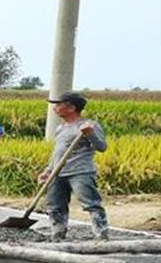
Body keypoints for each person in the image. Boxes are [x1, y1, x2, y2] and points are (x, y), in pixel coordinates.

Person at [39, 92, 109, 241]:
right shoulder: (60, 128)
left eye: (58, 105)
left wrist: (90, 134)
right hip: (58, 172)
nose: (55, 108)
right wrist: (48, 170)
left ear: (71, 108)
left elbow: (102, 147)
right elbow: (58, 152)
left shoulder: (89, 125)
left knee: (91, 204)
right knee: (55, 206)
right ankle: (58, 235)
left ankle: (101, 235)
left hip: (80, 171)